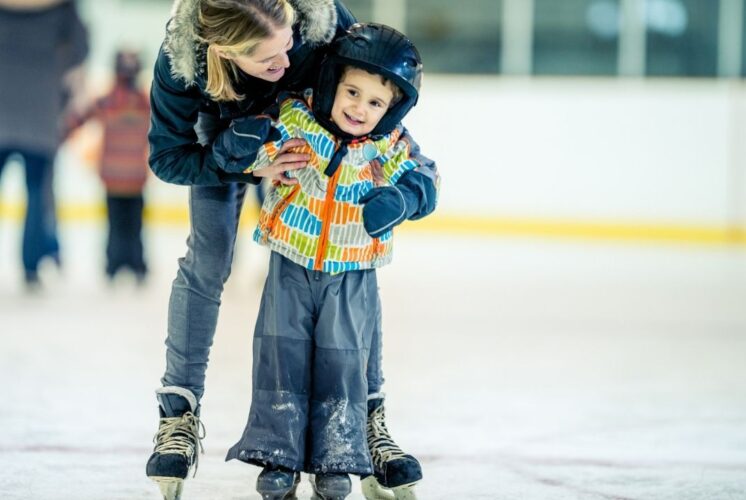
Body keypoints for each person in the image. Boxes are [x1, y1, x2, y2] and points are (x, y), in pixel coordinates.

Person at [144, 2, 437, 499]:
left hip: (310, 125)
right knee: (209, 259)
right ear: (223, 52)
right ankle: (179, 413)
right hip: (227, 141)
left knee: (351, 263)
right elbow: (168, 157)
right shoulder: (183, 63)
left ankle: (367, 419)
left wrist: (401, 188)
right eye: (268, 59)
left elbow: (375, 85)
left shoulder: (320, 19)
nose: (285, 61)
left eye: (290, 46)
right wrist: (243, 165)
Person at [222, 23, 431, 500]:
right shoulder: (299, 122)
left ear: (392, 108)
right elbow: (257, 147)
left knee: (342, 363)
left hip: (352, 273)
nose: (360, 108)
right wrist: (244, 141)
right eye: (352, 92)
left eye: (375, 102)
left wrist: (402, 199)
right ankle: (278, 456)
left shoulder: (389, 147)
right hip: (290, 264)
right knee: (282, 357)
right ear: (333, 83)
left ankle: (336, 458)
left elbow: (426, 178)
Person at [0, 0, 88, 289]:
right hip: (41, 108)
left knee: (37, 192)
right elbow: (79, 48)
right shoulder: (64, 7)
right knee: (37, 193)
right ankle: (31, 266)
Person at [64, 50, 150, 283]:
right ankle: (134, 265)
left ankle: (115, 265)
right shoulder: (144, 102)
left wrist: (61, 131)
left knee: (118, 223)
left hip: (116, 176)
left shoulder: (110, 100)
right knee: (134, 224)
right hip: (132, 176)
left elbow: (77, 118)